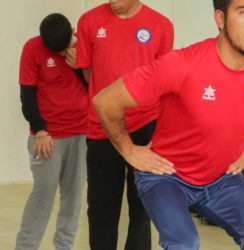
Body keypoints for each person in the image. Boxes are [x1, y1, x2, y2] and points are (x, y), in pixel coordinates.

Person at [93, 0, 244, 249]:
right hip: (166, 177)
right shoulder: (182, 64)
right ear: (220, 19)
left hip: (222, 178)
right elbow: (105, 101)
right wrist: (129, 150)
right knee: (185, 243)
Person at [75, 0, 174, 249]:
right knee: (101, 208)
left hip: (146, 125)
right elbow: (88, 73)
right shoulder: (89, 21)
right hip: (103, 127)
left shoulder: (162, 25)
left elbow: (164, 80)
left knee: (143, 207)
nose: (113, 1)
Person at [16, 13, 88, 250]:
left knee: (73, 197)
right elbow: (27, 96)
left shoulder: (81, 45)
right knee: (43, 194)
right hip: (47, 136)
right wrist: (41, 131)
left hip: (81, 133)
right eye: (54, 51)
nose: (60, 54)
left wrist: (79, 67)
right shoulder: (32, 48)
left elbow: (96, 85)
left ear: (72, 33)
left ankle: (64, 246)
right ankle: (26, 246)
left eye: (63, 48)